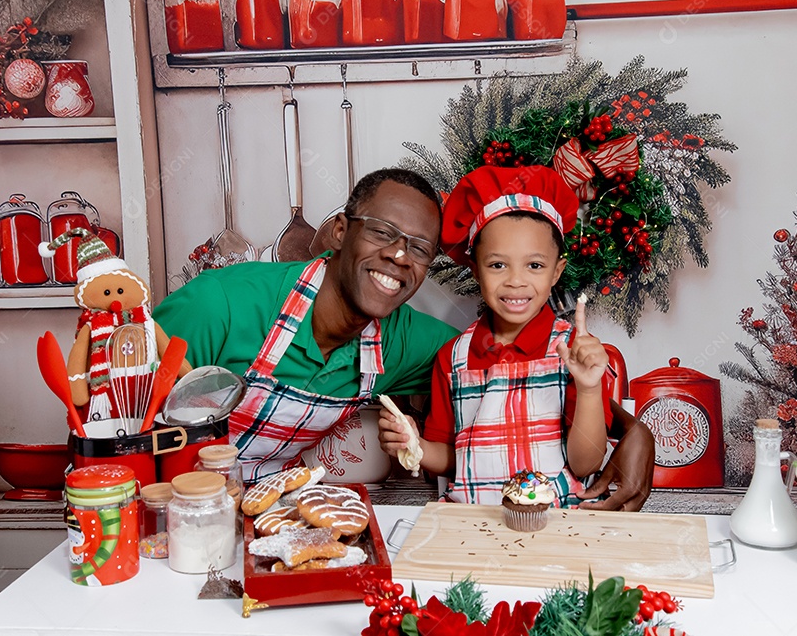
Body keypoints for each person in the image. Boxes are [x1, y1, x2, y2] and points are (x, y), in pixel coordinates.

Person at [154, 168, 653, 510]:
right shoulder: (219, 304)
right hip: (170, 508)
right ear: (338, 232)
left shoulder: (418, 342)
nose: (398, 256)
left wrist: (632, 430)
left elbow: (509, 377)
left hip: (269, 514)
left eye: (418, 247)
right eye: (382, 232)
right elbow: (117, 417)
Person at [377, 166, 640, 506]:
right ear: (475, 270)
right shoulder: (453, 357)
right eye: (498, 265)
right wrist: (414, 444)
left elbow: (585, 463)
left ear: (556, 271)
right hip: (472, 528)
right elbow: (453, 457)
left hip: (555, 528)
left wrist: (589, 388)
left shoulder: (574, 354)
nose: (516, 281)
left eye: (534, 265)